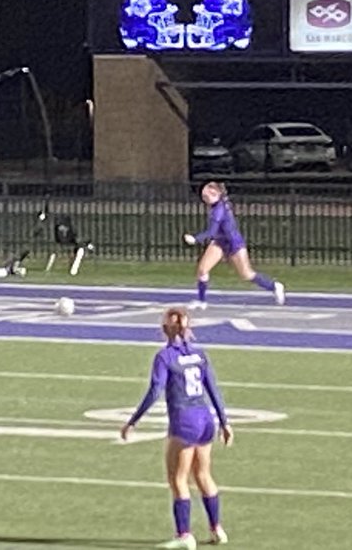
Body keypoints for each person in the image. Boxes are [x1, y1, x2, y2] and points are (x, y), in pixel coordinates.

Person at [121, 307, 232, 549]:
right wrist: (224, 422)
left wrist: (133, 420)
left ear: (164, 329)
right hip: (205, 419)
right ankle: (217, 529)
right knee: (203, 475)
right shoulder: (199, 354)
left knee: (177, 478)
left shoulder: (165, 357)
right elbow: (212, 387)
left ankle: (184, 535)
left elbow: (154, 390)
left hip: (185, 420)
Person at [184, 181, 285, 308]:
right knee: (202, 269)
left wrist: (196, 239)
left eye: (206, 195)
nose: (204, 198)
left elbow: (212, 231)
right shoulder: (218, 206)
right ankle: (201, 300)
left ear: (216, 194)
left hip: (234, 244)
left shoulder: (219, 210)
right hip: (220, 242)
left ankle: (274, 286)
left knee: (246, 274)